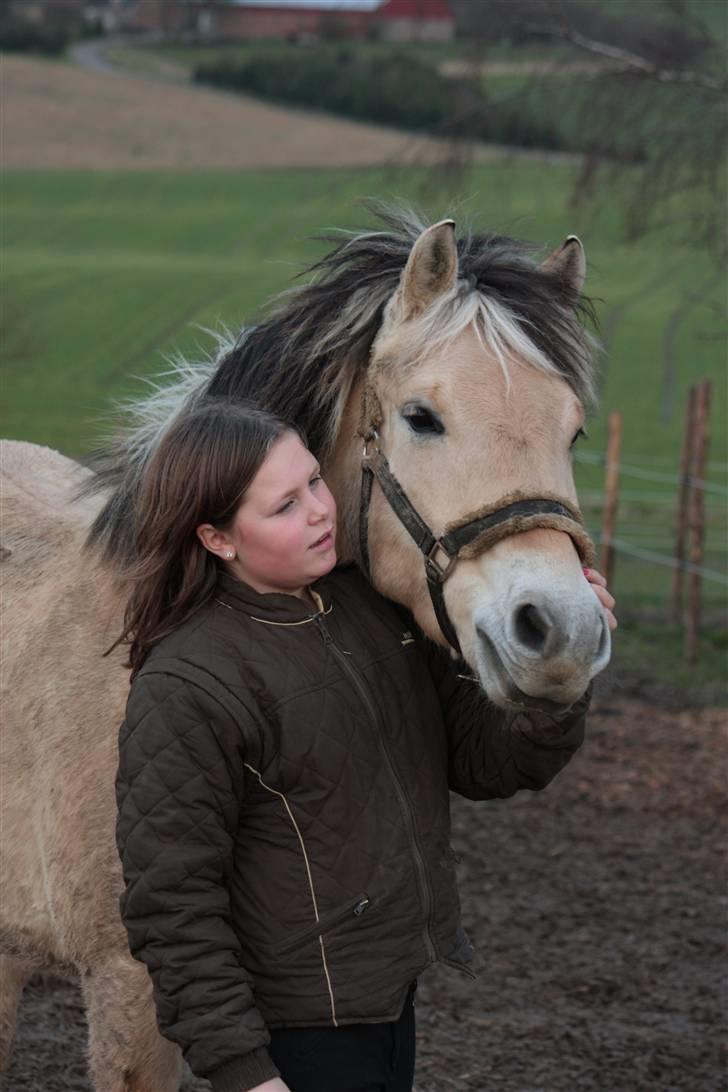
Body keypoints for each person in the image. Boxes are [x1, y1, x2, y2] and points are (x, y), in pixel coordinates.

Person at [115, 399, 616, 1092]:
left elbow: (486, 765)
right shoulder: (188, 684)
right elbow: (172, 904)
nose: (321, 511)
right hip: (297, 1034)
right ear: (218, 539)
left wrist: (559, 679)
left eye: (314, 481)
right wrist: (244, 1073)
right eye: (285, 506)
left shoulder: (373, 610)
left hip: (387, 993)